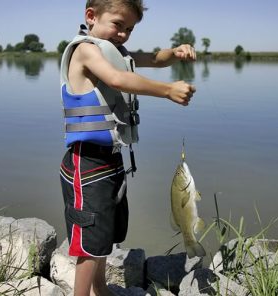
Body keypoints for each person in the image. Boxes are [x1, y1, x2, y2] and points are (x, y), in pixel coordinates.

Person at [59, 0, 196, 295]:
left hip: (111, 160)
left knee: (106, 233)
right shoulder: (85, 50)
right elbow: (118, 79)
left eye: (130, 29)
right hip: (86, 163)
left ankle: (100, 288)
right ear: (91, 16)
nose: (123, 34)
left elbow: (156, 59)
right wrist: (168, 90)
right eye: (118, 25)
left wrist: (175, 52)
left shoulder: (117, 53)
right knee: (90, 240)